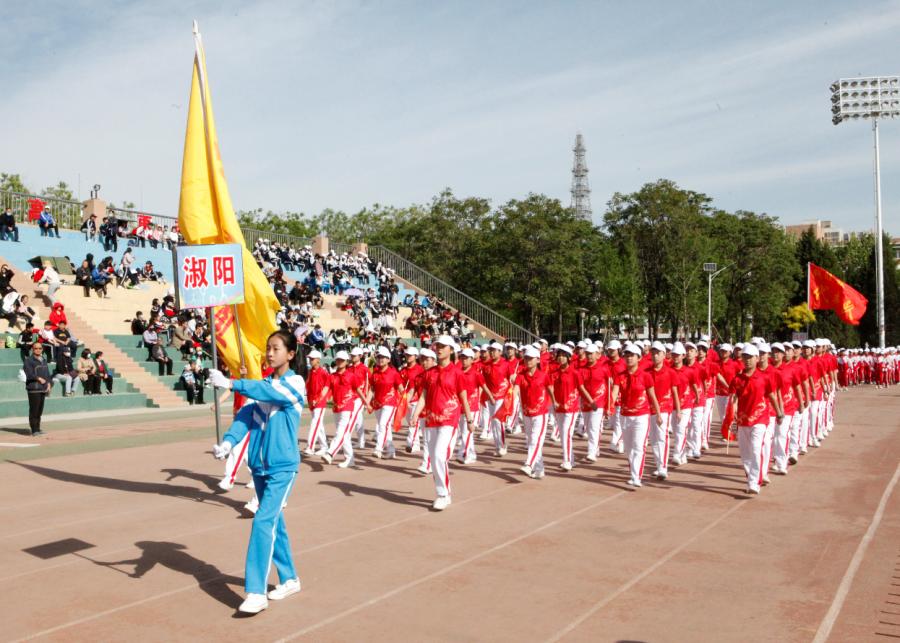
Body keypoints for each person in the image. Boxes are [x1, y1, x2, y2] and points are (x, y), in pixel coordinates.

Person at [209, 330, 306, 615]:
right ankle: (289, 579)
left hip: (283, 466)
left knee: (262, 521)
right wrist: (228, 442)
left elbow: (266, 393)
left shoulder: (294, 383)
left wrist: (231, 382)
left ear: (290, 354)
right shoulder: (261, 384)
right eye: (268, 348)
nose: (270, 352)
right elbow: (245, 416)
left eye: (276, 348)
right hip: (260, 466)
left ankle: (255, 591)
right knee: (276, 523)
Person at [409, 335, 474, 511]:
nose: (439, 349)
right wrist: (415, 415)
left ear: (451, 350)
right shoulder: (430, 373)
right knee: (435, 457)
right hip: (431, 420)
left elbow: (464, 398)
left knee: (439, 455)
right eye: (438, 346)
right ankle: (445, 491)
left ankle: (442, 494)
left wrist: (469, 419)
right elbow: (423, 396)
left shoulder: (458, 373)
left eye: (443, 346)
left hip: (449, 419)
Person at [728, 343, 783, 495]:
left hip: (760, 420)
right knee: (745, 453)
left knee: (755, 449)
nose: (747, 360)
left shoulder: (764, 378)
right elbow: (734, 399)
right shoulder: (737, 379)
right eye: (744, 357)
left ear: (757, 358)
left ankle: (754, 482)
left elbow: (772, 396)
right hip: (742, 421)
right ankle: (751, 477)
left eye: (750, 357)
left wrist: (779, 412)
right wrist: (731, 418)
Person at [610, 343, 663, 488]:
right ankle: (633, 473)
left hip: (641, 416)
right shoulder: (620, 376)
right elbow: (614, 392)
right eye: (626, 356)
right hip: (625, 415)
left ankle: (636, 476)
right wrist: (609, 406)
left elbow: (652, 396)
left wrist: (658, 414)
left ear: (639, 358)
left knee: (639, 446)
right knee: (628, 448)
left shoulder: (645, 376)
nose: (629, 359)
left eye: (632, 356)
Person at [321, 351, 369, 468]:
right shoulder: (332, 376)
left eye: (342, 360)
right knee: (344, 435)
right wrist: (319, 398)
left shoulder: (351, 376)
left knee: (340, 432)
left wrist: (366, 402)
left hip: (348, 407)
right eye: (338, 360)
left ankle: (330, 453)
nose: (339, 362)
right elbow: (326, 389)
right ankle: (350, 458)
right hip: (336, 408)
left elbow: (358, 390)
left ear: (347, 362)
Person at [515, 346, 551, 479]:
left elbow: (550, 390)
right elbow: (515, 390)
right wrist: (510, 403)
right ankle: (539, 469)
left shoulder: (543, 376)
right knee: (532, 441)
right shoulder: (520, 376)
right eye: (526, 358)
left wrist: (554, 403)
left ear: (537, 360)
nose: (528, 360)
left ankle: (529, 464)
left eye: (531, 358)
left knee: (535, 440)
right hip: (526, 413)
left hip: (540, 413)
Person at [370, 345, 404, 459]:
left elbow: (401, 389)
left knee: (382, 425)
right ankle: (391, 450)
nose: (380, 359)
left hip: (390, 403)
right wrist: (366, 401)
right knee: (385, 427)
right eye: (379, 357)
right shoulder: (375, 373)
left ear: (388, 359)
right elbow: (372, 390)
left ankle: (378, 449)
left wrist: (403, 403)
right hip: (378, 404)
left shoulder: (394, 373)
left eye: (383, 357)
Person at [303, 350, 331, 455]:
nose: (310, 360)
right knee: (319, 425)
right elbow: (308, 386)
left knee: (315, 423)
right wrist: (310, 401)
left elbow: (327, 387)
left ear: (318, 360)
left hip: (320, 402)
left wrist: (319, 399)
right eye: (310, 358)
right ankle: (324, 446)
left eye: (312, 359)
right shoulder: (310, 372)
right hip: (312, 402)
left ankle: (310, 447)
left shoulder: (323, 372)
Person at [23, 342, 51, 436]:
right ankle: (34, 430)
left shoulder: (43, 360)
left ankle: (38, 428)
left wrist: (49, 384)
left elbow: (47, 373)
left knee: (39, 410)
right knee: (34, 410)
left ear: (42, 349)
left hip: (42, 389)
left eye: (40, 348)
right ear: (32, 349)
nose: (38, 350)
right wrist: (38, 378)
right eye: (36, 348)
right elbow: (29, 374)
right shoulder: (28, 360)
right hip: (33, 389)